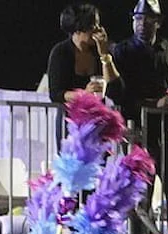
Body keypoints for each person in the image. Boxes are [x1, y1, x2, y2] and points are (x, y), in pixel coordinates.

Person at [107, 0, 168, 234]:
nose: (142, 24)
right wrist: (156, 105)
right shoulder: (122, 52)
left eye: (148, 19)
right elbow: (119, 95)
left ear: (158, 22)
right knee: (140, 196)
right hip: (138, 133)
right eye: (138, 18)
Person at [47, 3, 119, 146]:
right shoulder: (61, 52)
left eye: (98, 24)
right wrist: (84, 95)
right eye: (93, 26)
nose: (98, 30)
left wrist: (104, 55)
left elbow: (116, 87)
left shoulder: (100, 50)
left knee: (98, 166)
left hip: (97, 121)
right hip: (71, 123)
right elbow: (56, 93)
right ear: (78, 30)